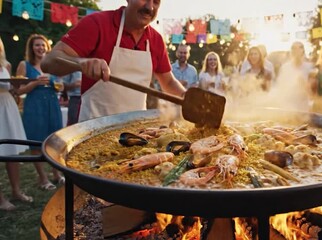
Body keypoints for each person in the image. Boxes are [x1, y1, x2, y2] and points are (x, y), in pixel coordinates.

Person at [41, 0, 186, 122]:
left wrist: (188, 98)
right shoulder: (97, 23)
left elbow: (168, 82)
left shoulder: (156, 40)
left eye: (156, 1)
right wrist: (81, 62)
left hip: (136, 130)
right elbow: (48, 61)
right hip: (92, 128)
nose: (149, 7)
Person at [15, 34, 64, 191]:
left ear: (47, 48)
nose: (40, 48)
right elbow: (18, 90)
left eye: (43, 45)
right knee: (35, 143)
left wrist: (58, 85)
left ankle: (56, 174)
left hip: (52, 104)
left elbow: (61, 86)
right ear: (31, 48)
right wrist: (35, 82)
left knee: (54, 141)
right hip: (35, 106)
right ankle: (43, 179)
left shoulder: (52, 65)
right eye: (37, 45)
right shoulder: (25, 65)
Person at [0, 37, 33, 210]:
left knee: (12, 152)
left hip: (7, 106)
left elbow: (12, 90)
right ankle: (0, 198)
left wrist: (16, 86)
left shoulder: (6, 65)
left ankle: (16, 191)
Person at [276, 41, 314, 112]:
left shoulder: (309, 67)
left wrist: (304, 84)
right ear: (291, 51)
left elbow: (312, 90)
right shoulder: (285, 67)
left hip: (304, 106)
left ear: (303, 51)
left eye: (299, 48)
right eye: (294, 48)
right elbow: (280, 87)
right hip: (288, 106)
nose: (296, 51)